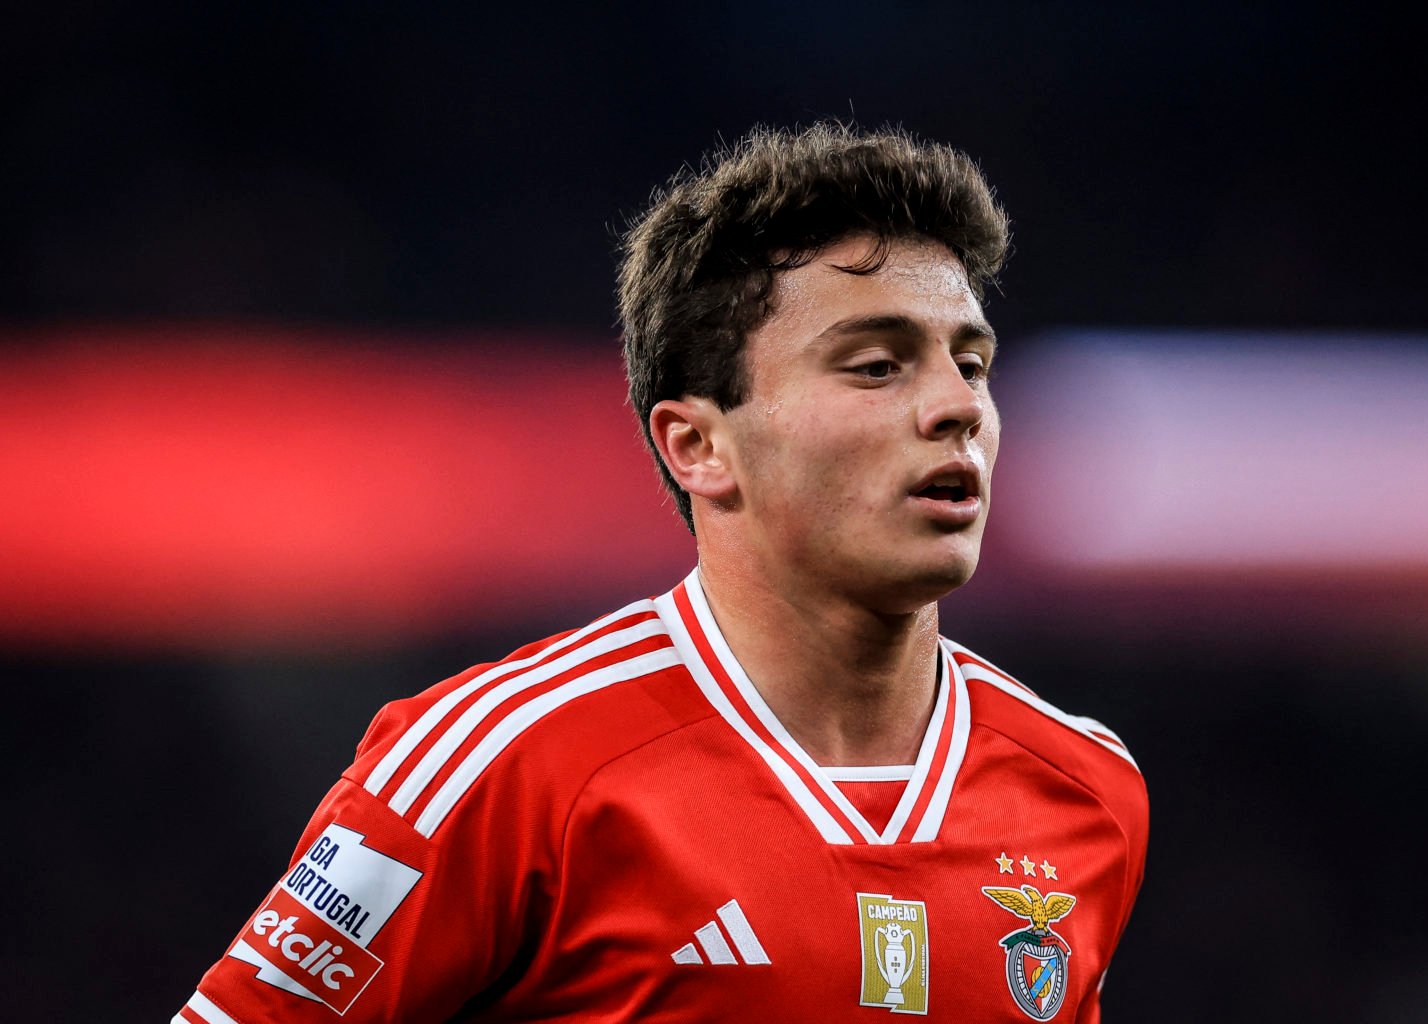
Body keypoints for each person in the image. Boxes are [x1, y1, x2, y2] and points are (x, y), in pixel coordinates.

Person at [173, 123, 1148, 1024]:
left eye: (971, 364)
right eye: (876, 365)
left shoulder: (1088, 790)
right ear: (698, 447)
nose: (956, 407)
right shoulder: (499, 763)